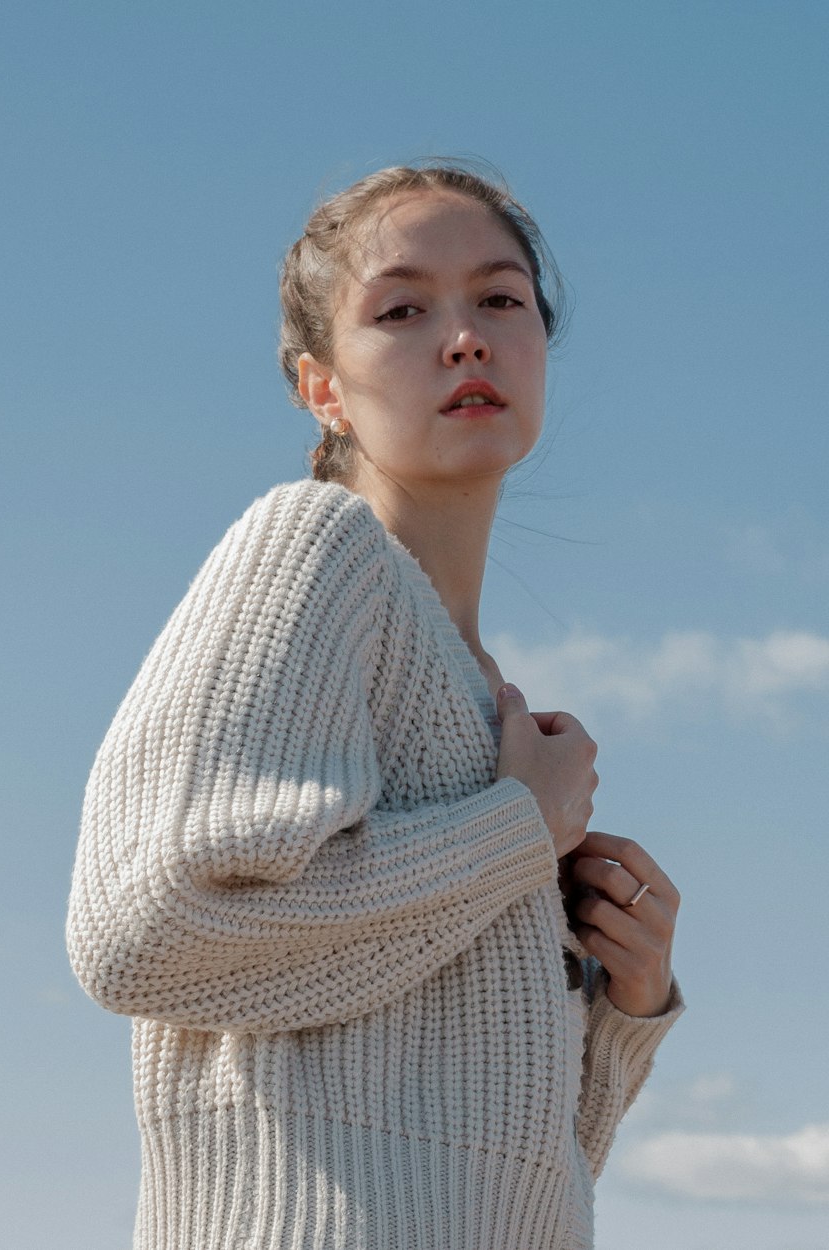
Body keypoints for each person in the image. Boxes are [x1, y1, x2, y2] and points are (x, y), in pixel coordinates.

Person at [66, 163, 683, 1250]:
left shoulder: (488, 700)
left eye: (500, 299)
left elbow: (499, 1164)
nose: (464, 337)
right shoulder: (312, 549)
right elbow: (137, 935)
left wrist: (620, 1009)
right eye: (402, 309)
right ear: (323, 388)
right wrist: (512, 831)